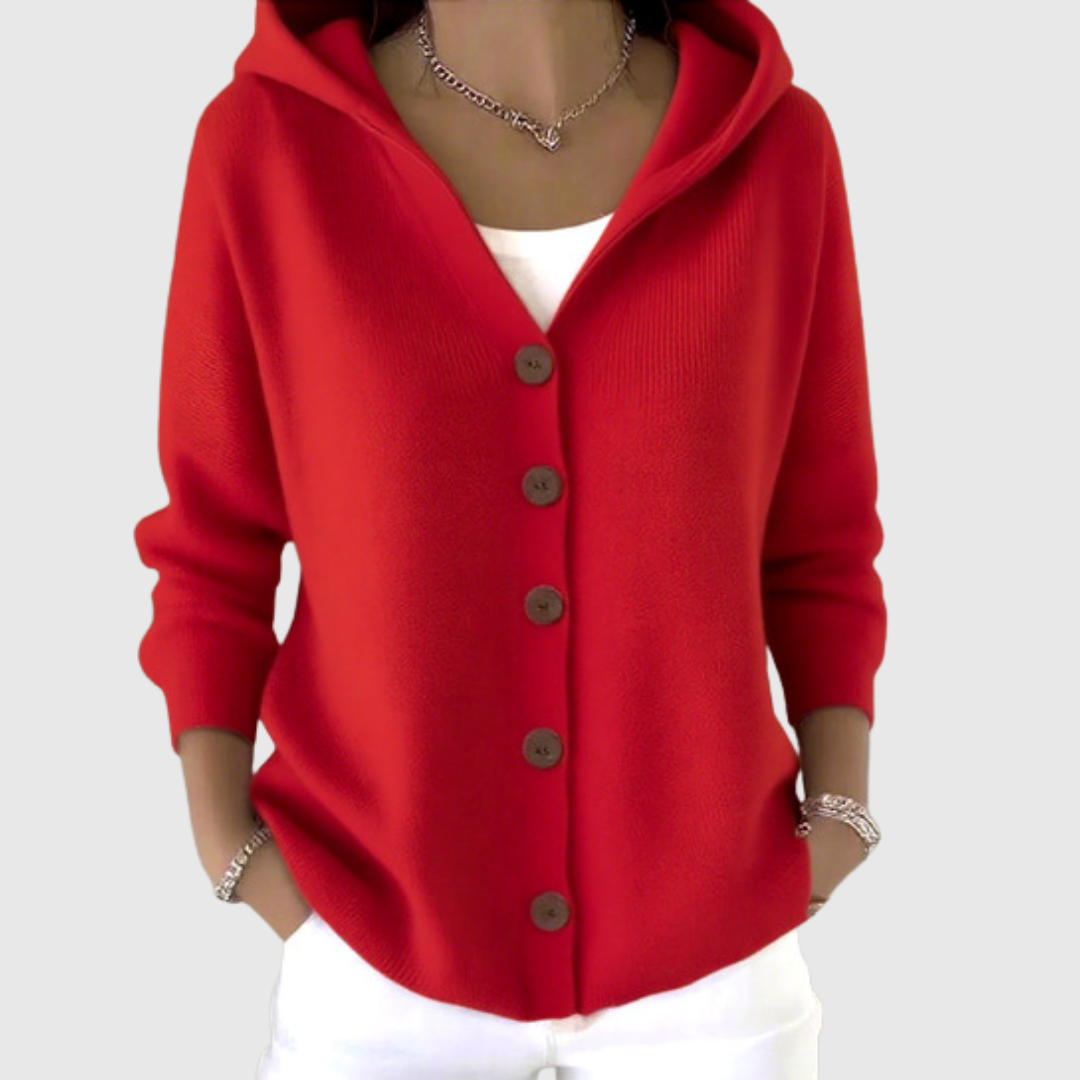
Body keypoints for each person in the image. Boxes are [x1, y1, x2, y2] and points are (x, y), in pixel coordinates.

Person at [133, 1, 886, 1076]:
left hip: (716, 975)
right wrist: (231, 846)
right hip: (375, 958)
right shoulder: (268, 148)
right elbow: (214, 542)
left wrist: (840, 815)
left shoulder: (771, 151)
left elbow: (820, 531)